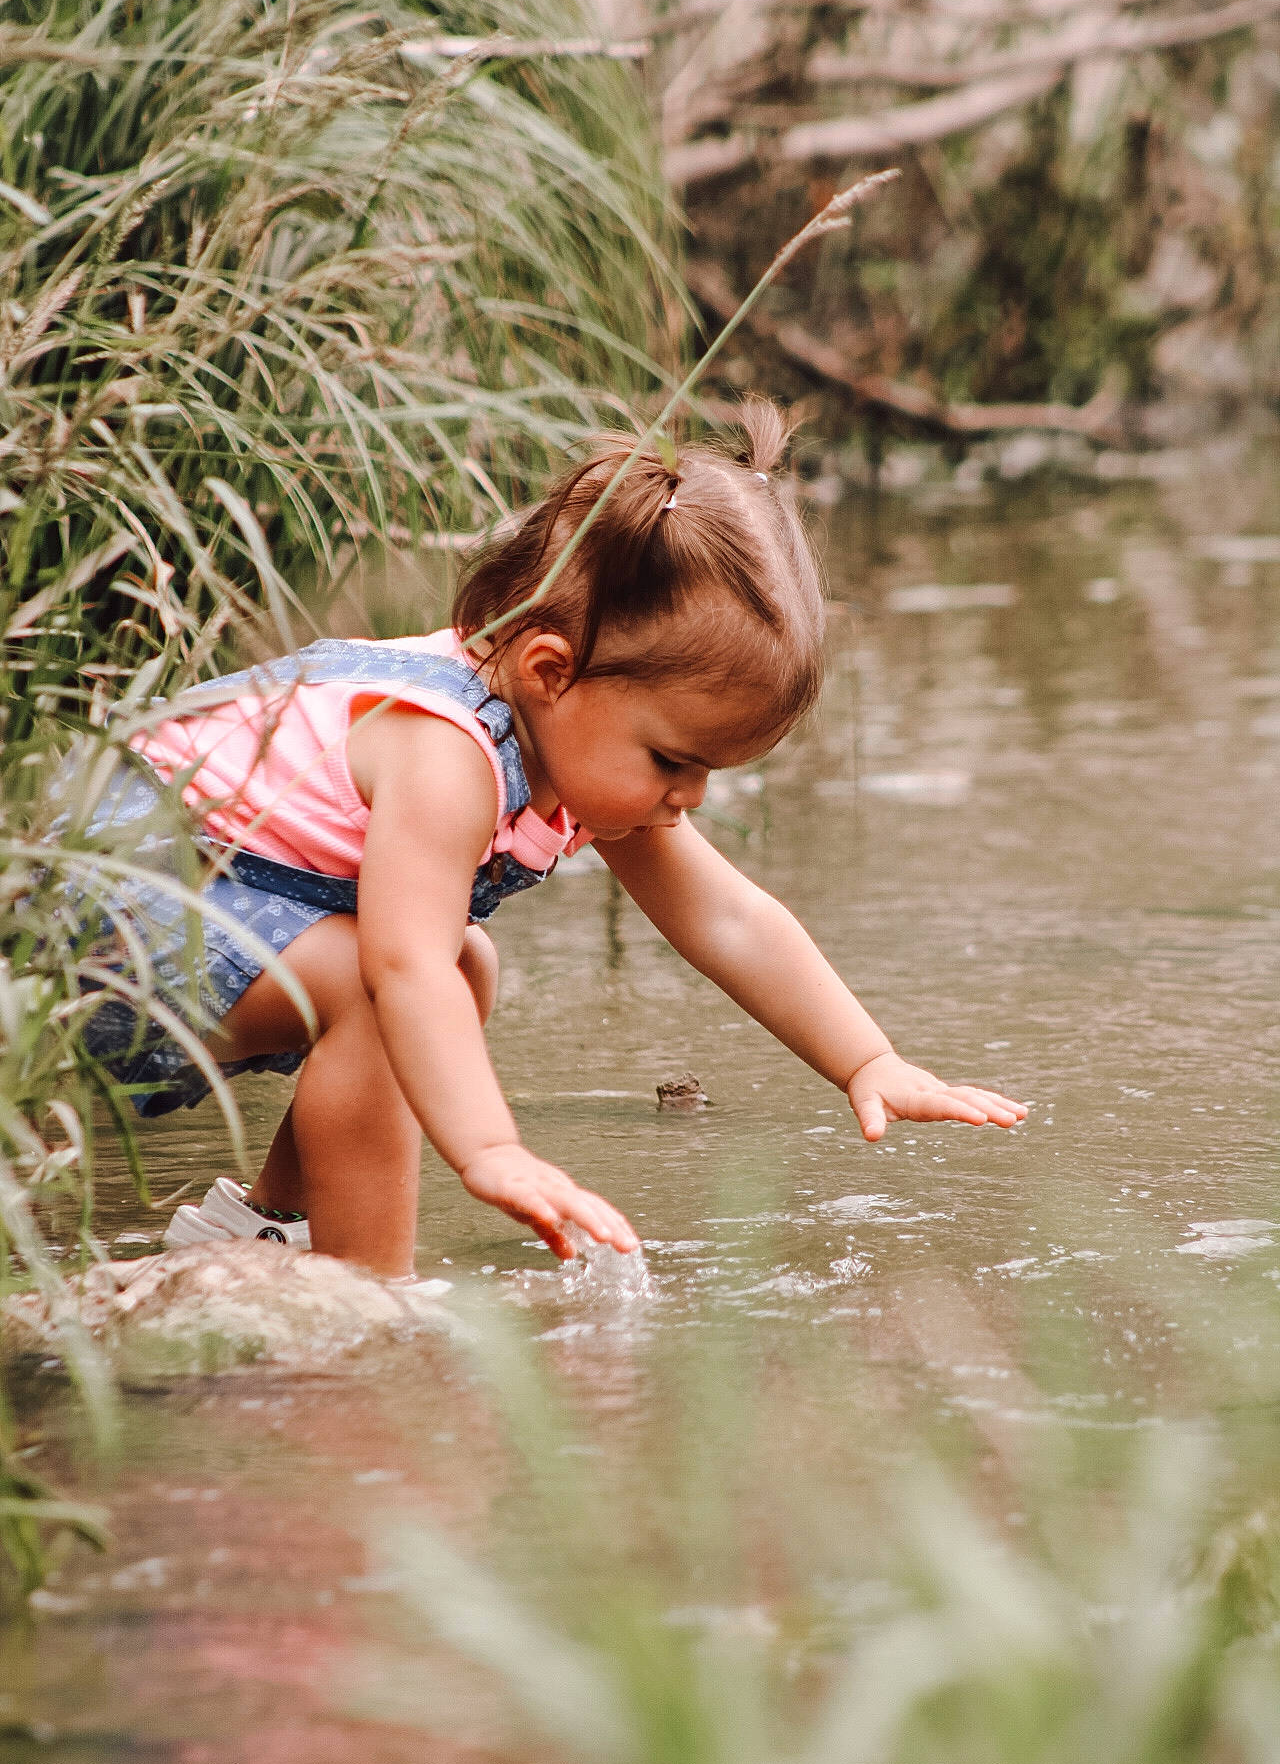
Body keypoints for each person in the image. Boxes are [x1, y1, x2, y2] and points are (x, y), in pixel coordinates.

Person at [84, 401, 1025, 1278]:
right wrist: (490, 1151)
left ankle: (259, 1238)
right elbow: (401, 972)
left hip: (188, 927)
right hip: (85, 940)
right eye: (671, 760)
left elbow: (728, 918)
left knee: (468, 962)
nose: (686, 797)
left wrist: (868, 1060)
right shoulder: (446, 749)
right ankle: (370, 1301)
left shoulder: (567, 726)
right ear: (549, 669)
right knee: (415, 978)